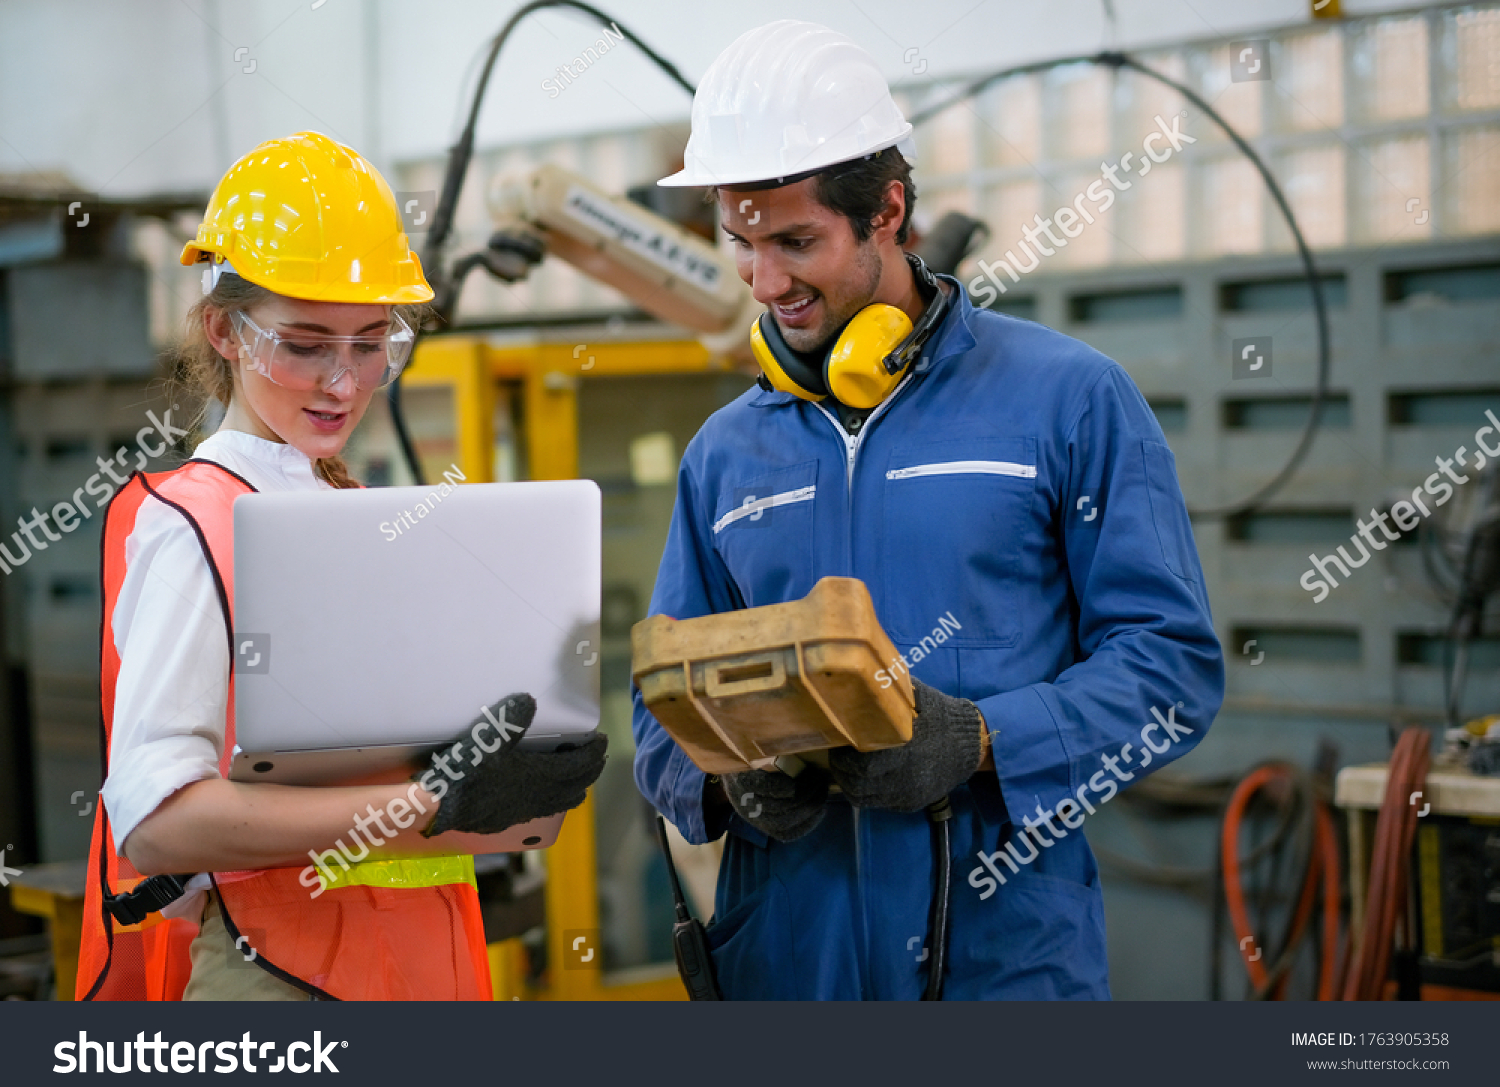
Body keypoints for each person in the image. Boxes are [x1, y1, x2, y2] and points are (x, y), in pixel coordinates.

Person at [633, 21, 1224, 999]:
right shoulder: (724, 455)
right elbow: (660, 713)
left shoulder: (1066, 399)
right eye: (738, 243)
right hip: (788, 965)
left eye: (795, 242)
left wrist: (984, 740)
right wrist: (722, 780)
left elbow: (1171, 671)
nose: (765, 282)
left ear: (888, 213)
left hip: (999, 962)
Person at [77, 132, 606, 1001]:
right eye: (306, 343)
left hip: (414, 967)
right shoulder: (195, 525)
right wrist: (429, 803)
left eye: (371, 344)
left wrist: (504, 778)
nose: (343, 382)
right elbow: (155, 823)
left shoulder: (346, 513)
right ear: (224, 330)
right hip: (280, 979)